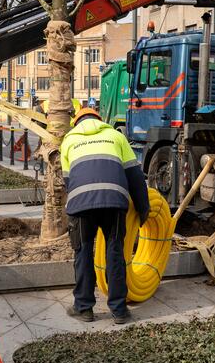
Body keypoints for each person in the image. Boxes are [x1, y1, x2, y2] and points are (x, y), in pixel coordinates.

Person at [60, 107, 150, 325]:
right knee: (115, 252)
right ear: (100, 120)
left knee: (83, 252)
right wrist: (143, 210)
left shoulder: (68, 141)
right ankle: (119, 311)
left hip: (81, 204)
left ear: (77, 122)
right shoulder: (116, 136)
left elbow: (67, 181)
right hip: (114, 202)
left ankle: (84, 308)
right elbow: (135, 176)